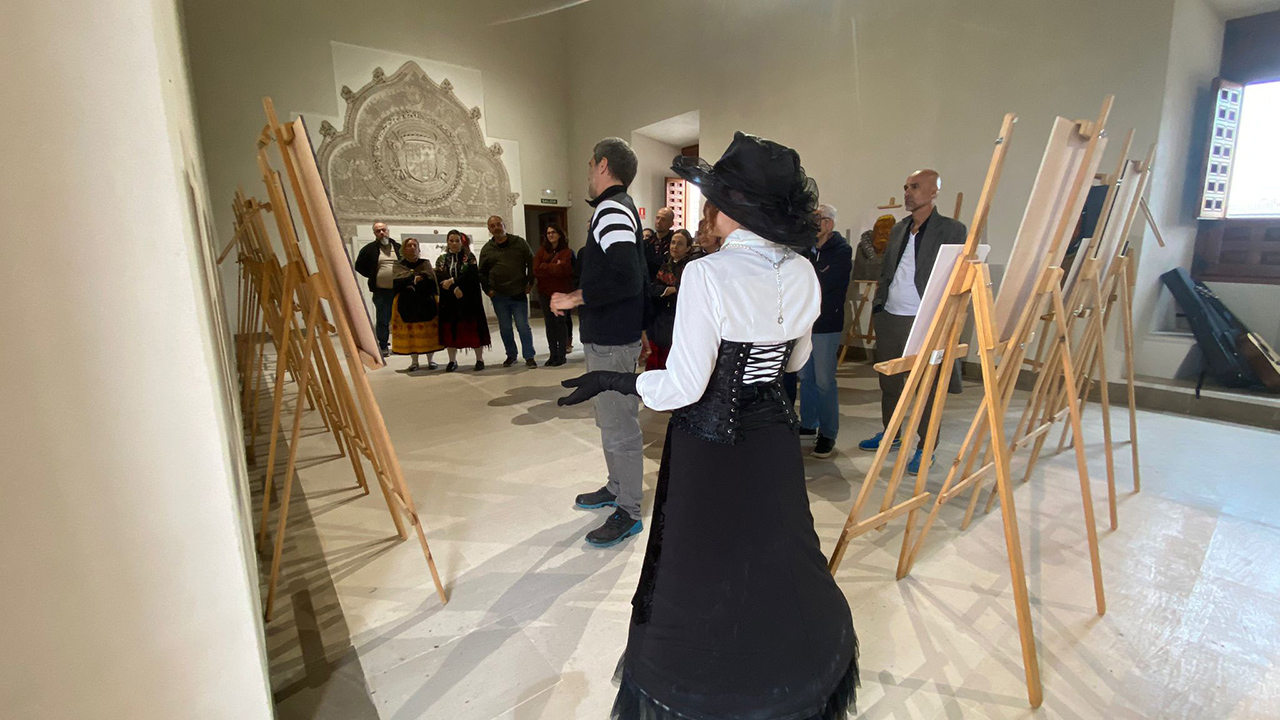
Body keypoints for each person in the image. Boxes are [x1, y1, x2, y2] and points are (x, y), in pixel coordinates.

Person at [557, 132, 858, 720]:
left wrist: (622, 382)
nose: (709, 211)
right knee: (776, 549)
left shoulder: (708, 274)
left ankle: (711, 683)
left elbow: (686, 387)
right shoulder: (803, 271)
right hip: (773, 437)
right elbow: (793, 363)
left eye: (714, 199)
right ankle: (788, 667)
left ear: (732, 211)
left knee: (703, 562)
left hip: (710, 444)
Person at [550, 137, 648, 548]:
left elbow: (627, 277)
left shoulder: (611, 209)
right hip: (609, 334)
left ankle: (629, 510)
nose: (588, 173)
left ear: (603, 165)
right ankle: (615, 488)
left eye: (591, 165)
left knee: (620, 425)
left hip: (611, 338)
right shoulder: (617, 208)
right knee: (609, 421)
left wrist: (575, 297)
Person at [861, 169, 966, 474]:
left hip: (924, 318)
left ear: (934, 191)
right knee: (890, 382)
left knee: (926, 387)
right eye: (906, 186)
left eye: (916, 187)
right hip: (891, 315)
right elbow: (888, 271)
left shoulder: (952, 230)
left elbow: (955, 276)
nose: (908, 192)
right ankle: (892, 433)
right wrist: (879, 306)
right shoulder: (898, 229)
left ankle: (925, 446)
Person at [798, 204, 853, 459]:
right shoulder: (805, 250)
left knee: (823, 380)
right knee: (805, 377)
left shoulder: (841, 251)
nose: (811, 223)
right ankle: (809, 424)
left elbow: (821, 283)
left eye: (816, 219)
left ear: (828, 224)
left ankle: (828, 432)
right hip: (804, 325)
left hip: (826, 326)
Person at [479, 215, 537, 368]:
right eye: (493, 226)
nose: (496, 227)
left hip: (518, 292)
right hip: (498, 295)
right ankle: (511, 355)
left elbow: (532, 262)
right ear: (489, 229)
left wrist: (530, 282)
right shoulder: (487, 249)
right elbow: (481, 272)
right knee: (505, 328)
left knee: (523, 326)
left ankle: (529, 356)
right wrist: (487, 290)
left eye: (499, 224)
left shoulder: (519, 243)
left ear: (504, 225)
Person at [435, 230, 490, 371]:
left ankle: (479, 359)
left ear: (462, 242)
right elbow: (441, 278)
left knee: (473, 329)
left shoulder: (469, 257)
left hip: (468, 300)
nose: (454, 243)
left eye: (457, 241)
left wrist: (454, 282)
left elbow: (471, 276)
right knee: (450, 330)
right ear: (447, 242)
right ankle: (452, 361)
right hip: (449, 301)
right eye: (451, 240)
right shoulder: (441, 260)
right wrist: (454, 288)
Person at [390, 237, 443, 371]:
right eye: (409, 246)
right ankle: (414, 362)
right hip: (407, 303)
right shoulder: (398, 265)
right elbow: (397, 281)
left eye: (415, 245)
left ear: (418, 249)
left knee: (428, 330)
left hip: (425, 301)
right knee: (411, 333)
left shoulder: (425, 263)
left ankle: (431, 360)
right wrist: (414, 277)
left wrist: (421, 277)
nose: (412, 248)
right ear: (403, 249)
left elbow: (431, 279)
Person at [644, 228, 693, 370]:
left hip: (678, 318)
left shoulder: (690, 267)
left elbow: (686, 290)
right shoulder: (665, 263)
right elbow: (653, 289)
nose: (675, 247)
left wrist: (672, 290)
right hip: (660, 317)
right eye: (673, 243)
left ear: (688, 248)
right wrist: (669, 290)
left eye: (680, 244)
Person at [353, 222, 400, 357]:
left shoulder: (398, 247)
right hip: (381, 291)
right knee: (383, 320)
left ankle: (400, 345)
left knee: (399, 319)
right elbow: (359, 266)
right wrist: (373, 275)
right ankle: (383, 345)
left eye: (383, 230)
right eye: (378, 231)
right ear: (374, 233)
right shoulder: (369, 249)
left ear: (388, 231)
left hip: (398, 291)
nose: (381, 233)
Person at [533, 223, 575, 366]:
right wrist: (554, 266)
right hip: (545, 292)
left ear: (559, 234)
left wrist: (546, 266)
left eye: (553, 232)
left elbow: (564, 270)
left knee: (560, 323)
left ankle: (561, 354)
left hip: (561, 293)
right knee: (549, 324)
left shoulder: (567, 252)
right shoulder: (541, 252)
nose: (551, 235)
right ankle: (553, 354)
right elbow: (536, 270)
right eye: (548, 233)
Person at [644, 206, 676, 280]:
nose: (658, 222)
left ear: (671, 223)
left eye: (663, 219)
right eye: (657, 218)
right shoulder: (647, 243)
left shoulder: (674, 243)